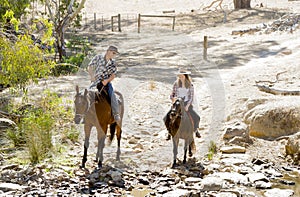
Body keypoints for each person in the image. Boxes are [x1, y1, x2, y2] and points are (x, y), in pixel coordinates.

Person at [87, 46, 121, 125]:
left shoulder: (113, 63)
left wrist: (107, 81)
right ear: (108, 51)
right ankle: (84, 115)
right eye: (113, 53)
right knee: (85, 94)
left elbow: (113, 76)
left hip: (106, 83)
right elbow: (90, 66)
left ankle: (116, 114)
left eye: (115, 54)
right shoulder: (98, 57)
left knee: (112, 95)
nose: (114, 55)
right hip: (96, 82)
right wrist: (92, 76)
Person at [165, 68, 201, 140]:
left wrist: (187, 106)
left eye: (182, 76)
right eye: (179, 76)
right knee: (166, 117)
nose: (180, 77)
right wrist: (173, 98)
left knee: (197, 117)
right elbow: (172, 94)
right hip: (177, 103)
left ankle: (196, 130)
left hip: (186, 103)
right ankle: (169, 131)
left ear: (185, 76)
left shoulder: (190, 85)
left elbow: (191, 97)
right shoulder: (176, 83)